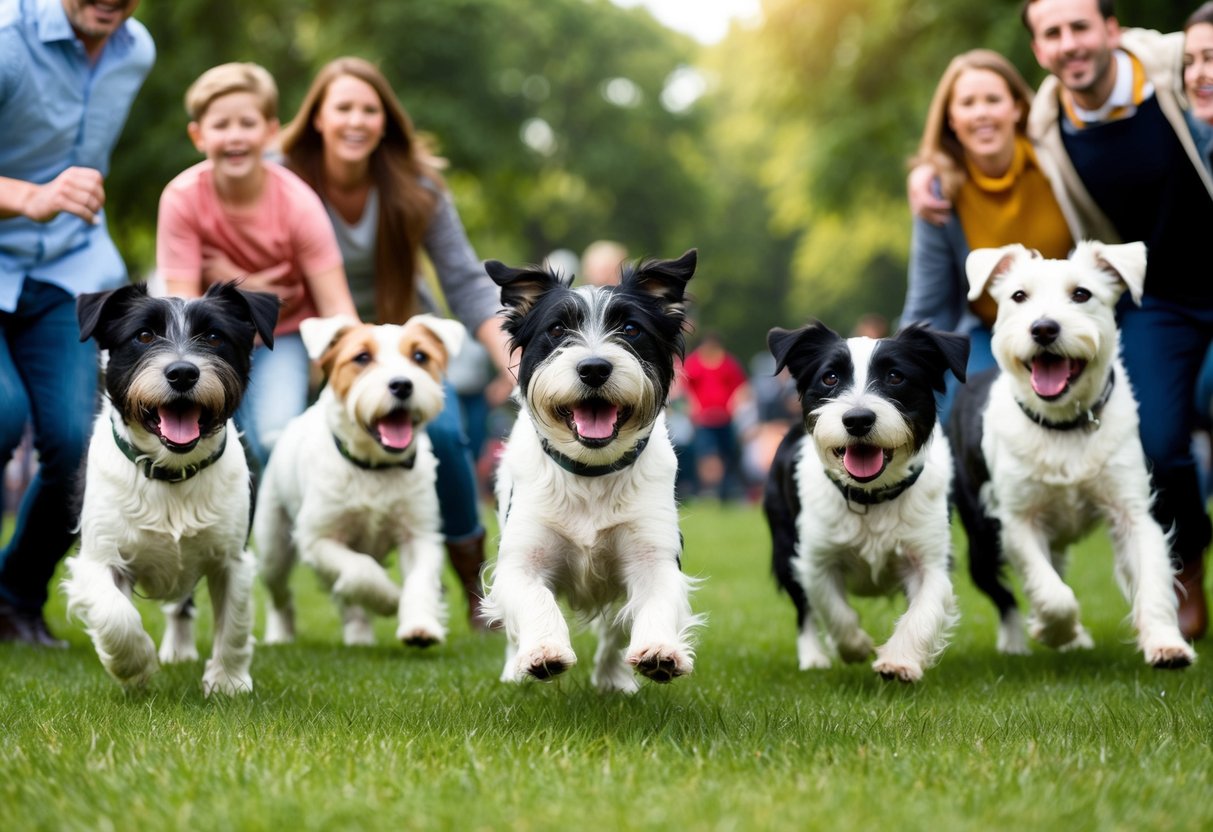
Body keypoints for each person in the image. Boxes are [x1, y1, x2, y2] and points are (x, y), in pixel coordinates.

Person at [911, 0, 1213, 640]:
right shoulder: (991, 163)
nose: (1069, 42)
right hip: (1129, 305)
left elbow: (1194, 55)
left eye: (1080, 26)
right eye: (1051, 33)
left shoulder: (1160, 70)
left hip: (1143, 291)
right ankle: (1175, 568)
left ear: (1112, 29)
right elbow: (932, 296)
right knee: (1157, 440)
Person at [277, 57, 513, 630]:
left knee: (451, 437)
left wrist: (515, 353)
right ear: (317, 120)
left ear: (386, 121)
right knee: (274, 433)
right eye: (343, 108)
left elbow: (462, 280)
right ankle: (309, 560)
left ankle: (474, 589)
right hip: (315, 339)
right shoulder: (284, 178)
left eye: (369, 109)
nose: (356, 120)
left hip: (407, 343)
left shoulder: (419, 187)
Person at [0, 0, 154, 646]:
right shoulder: (8, 38)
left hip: (68, 270)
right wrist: (28, 197)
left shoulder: (134, 51)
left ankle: (14, 601)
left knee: (73, 440)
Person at [157, 62, 359, 468]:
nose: (234, 136)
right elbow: (181, 304)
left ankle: (275, 527)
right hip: (205, 337)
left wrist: (358, 359)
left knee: (272, 437)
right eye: (220, 125)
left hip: (279, 336)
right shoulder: (181, 198)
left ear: (270, 132)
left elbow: (337, 306)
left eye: (247, 123)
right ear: (198, 135)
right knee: (207, 436)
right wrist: (253, 285)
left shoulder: (298, 203)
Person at [901, 49, 1074, 421]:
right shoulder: (937, 193)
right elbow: (928, 307)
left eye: (993, 100)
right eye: (967, 103)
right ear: (951, 118)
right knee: (962, 412)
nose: (981, 112)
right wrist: (896, 375)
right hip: (993, 329)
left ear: (1016, 107)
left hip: (1076, 318)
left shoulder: (1060, 163)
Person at [681, 332, 749, 501]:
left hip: (725, 419)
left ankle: (725, 489)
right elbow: (685, 386)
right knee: (707, 456)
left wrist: (734, 404)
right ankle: (709, 489)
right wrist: (693, 406)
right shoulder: (694, 363)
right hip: (704, 420)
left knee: (727, 455)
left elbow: (741, 387)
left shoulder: (728, 363)